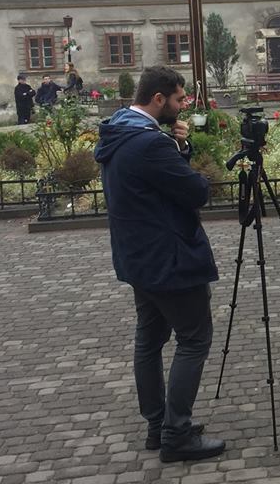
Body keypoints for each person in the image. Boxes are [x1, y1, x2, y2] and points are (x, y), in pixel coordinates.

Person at [93, 66, 225, 462]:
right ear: (158, 99)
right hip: (170, 260)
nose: (183, 106)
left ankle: (158, 425)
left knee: (149, 341)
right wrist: (183, 156)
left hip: (138, 258)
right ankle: (176, 434)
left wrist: (178, 148)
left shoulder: (118, 131)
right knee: (194, 339)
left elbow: (155, 184)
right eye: (179, 99)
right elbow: (195, 191)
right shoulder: (150, 143)